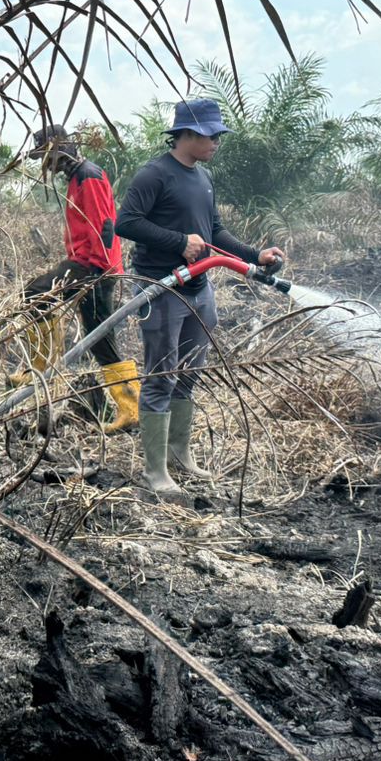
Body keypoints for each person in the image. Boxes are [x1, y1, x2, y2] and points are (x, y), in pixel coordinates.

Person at [115, 98, 284, 497]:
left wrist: (254, 255)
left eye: (218, 136)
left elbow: (214, 231)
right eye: (211, 135)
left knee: (188, 374)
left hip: (199, 289)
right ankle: (154, 472)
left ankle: (180, 455)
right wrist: (177, 242)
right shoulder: (154, 175)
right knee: (161, 376)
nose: (217, 143)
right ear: (186, 134)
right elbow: (126, 223)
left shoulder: (202, 178)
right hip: (161, 287)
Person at [9, 124, 140, 434]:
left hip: (94, 267)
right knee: (100, 339)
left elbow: (103, 225)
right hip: (88, 263)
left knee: (36, 294)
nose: (45, 165)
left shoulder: (88, 176)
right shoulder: (77, 177)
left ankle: (39, 367)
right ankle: (129, 407)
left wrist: (98, 270)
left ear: (58, 150)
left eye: (45, 156)